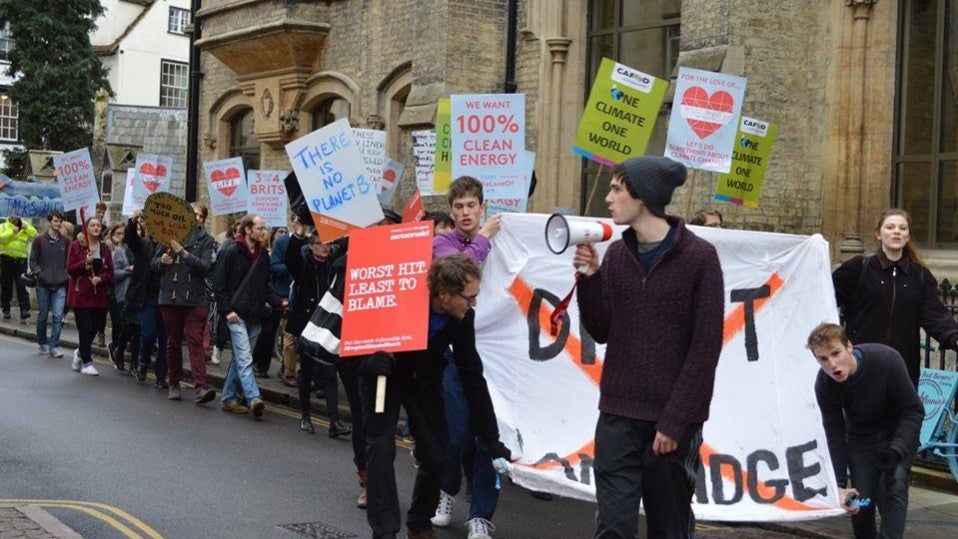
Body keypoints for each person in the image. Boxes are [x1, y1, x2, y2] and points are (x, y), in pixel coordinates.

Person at [573, 156, 724, 539]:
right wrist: (590, 279)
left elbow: (705, 349)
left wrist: (674, 421)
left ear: (644, 197)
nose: (608, 198)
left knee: (668, 528)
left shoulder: (700, 258)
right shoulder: (619, 257)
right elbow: (603, 330)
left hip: (670, 423)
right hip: (617, 416)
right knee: (613, 527)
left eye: (616, 189)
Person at [359, 254, 512, 539]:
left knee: (438, 452)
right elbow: (356, 343)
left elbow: (472, 377)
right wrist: (370, 361)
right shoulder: (399, 300)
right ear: (443, 294)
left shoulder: (463, 317)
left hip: (423, 381)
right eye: (469, 297)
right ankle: (384, 531)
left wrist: (493, 441)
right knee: (380, 450)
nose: (474, 303)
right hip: (383, 378)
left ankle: (419, 521)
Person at [430, 176, 505, 539]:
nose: (464, 213)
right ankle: (445, 492)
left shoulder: (501, 238)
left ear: (482, 207)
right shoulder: (442, 243)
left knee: (488, 437)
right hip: (455, 353)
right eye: (458, 207)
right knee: (455, 434)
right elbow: (457, 272)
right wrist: (484, 238)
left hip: (498, 355)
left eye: (470, 206)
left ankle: (481, 515)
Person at [806, 323, 923, 539]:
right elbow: (835, 433)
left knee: (894, 484)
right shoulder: (824, 384)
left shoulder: (886, 360)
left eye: (836, 353)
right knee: (862, 500)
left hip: (896, 431)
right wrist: (839, 484)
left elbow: (913, 410)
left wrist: (897, 449)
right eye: (823, 359)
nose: (832, 364)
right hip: (861, 437)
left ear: (849, 346)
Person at [833, 208, 958, 387]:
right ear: (878, 234)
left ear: (908, 236)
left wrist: (954, 336)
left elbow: (936, 316)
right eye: (890, 227)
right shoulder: (857, 268)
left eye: (902, 228)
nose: (896, 231)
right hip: (861, 365)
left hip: (902, 368)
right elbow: (824, 296)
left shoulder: (920, 276)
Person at [213, 214, 279, 418]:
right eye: (260, 228)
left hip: (255, 316)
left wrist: (278, 302)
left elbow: (266, 286)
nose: (263, 231)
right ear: (248, 230)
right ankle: (254, 398)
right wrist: (227, 310)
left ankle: (228, 398)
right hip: (236, 315)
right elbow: (219, 285)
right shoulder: (231, 252)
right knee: (244, 358)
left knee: (241, 359)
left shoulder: (263, 256)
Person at [154, 214, 217, 404]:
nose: (194, 218)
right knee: (173, 342)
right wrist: (161, 260)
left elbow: (206, 267)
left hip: (195, 299)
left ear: (202, 219)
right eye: (191, 214)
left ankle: (200, 387)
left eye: (199, 215)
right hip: (171, 298)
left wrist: (183, 252)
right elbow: (153, 264)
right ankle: (174, 383)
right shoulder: (167, 235)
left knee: (195, 341)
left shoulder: (207, 240)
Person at [66, 216, 114, 376]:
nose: (96, 227)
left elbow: (110, 272)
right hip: (81, 295)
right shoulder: (76, 246)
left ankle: (80, 352)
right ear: (86, 228)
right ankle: (87, 362)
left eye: (98, 225)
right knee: (85, 328)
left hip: (99, 296)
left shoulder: (105, 248)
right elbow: (71, 269)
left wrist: (100, 278)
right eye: (92, 225)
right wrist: (84, 264)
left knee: (94, 328)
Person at [29, 211, 69, 358]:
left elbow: (69, 262)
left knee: (58, 316)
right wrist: (40, 274)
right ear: (49, 222)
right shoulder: (39, 240)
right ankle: (42, 342)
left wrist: (65, 275)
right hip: (43, 285)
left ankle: (54, 346)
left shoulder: (65, 241)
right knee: (43, 315)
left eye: (60, 221)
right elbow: (32, 261)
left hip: (60, 285)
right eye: (56, 221)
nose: (58, 224)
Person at [251, 226, 289, 378]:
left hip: (275, 298)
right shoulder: (264, 253)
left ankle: (263, 367)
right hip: (261, 298)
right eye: (280, 231)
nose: (283, 234)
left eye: (285, 232)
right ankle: (254, 361)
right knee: (261, 332)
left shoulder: (284, 251)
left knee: (269, 332)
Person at [0, 215, 37, 322]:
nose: (14, 217)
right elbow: (1, 239)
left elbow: (35, 236)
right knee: (6, 285)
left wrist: (27, 227)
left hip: (21, 261)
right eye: (12, 215)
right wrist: (13, 231)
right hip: (6, 260)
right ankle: (6, 308)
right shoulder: (3, 226)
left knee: (22, 285)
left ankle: (24, 310)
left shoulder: (25, 225)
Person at [108, 222, 132, 370]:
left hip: (133, 295)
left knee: (129, 326)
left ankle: (119, 349)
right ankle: (116, 348)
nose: (122, 236)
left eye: (124, 233)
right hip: (118, 293)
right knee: (119, 324)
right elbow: (114, 274)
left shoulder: (134, 250)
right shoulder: (118, 251)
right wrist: (128, 270)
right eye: (119, 233)